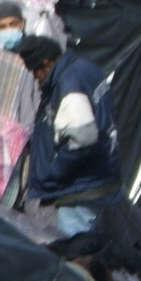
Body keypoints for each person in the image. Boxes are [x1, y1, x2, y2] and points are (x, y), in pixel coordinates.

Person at [15, 34, 119, 237]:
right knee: (91, 244)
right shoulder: (85, 69)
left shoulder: (68, 84)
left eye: (35, 70)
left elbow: (82, 139)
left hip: (79, 187)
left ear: (47, 63)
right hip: (99, 177)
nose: (35, 77)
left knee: (74, 248)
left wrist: (54, 173)